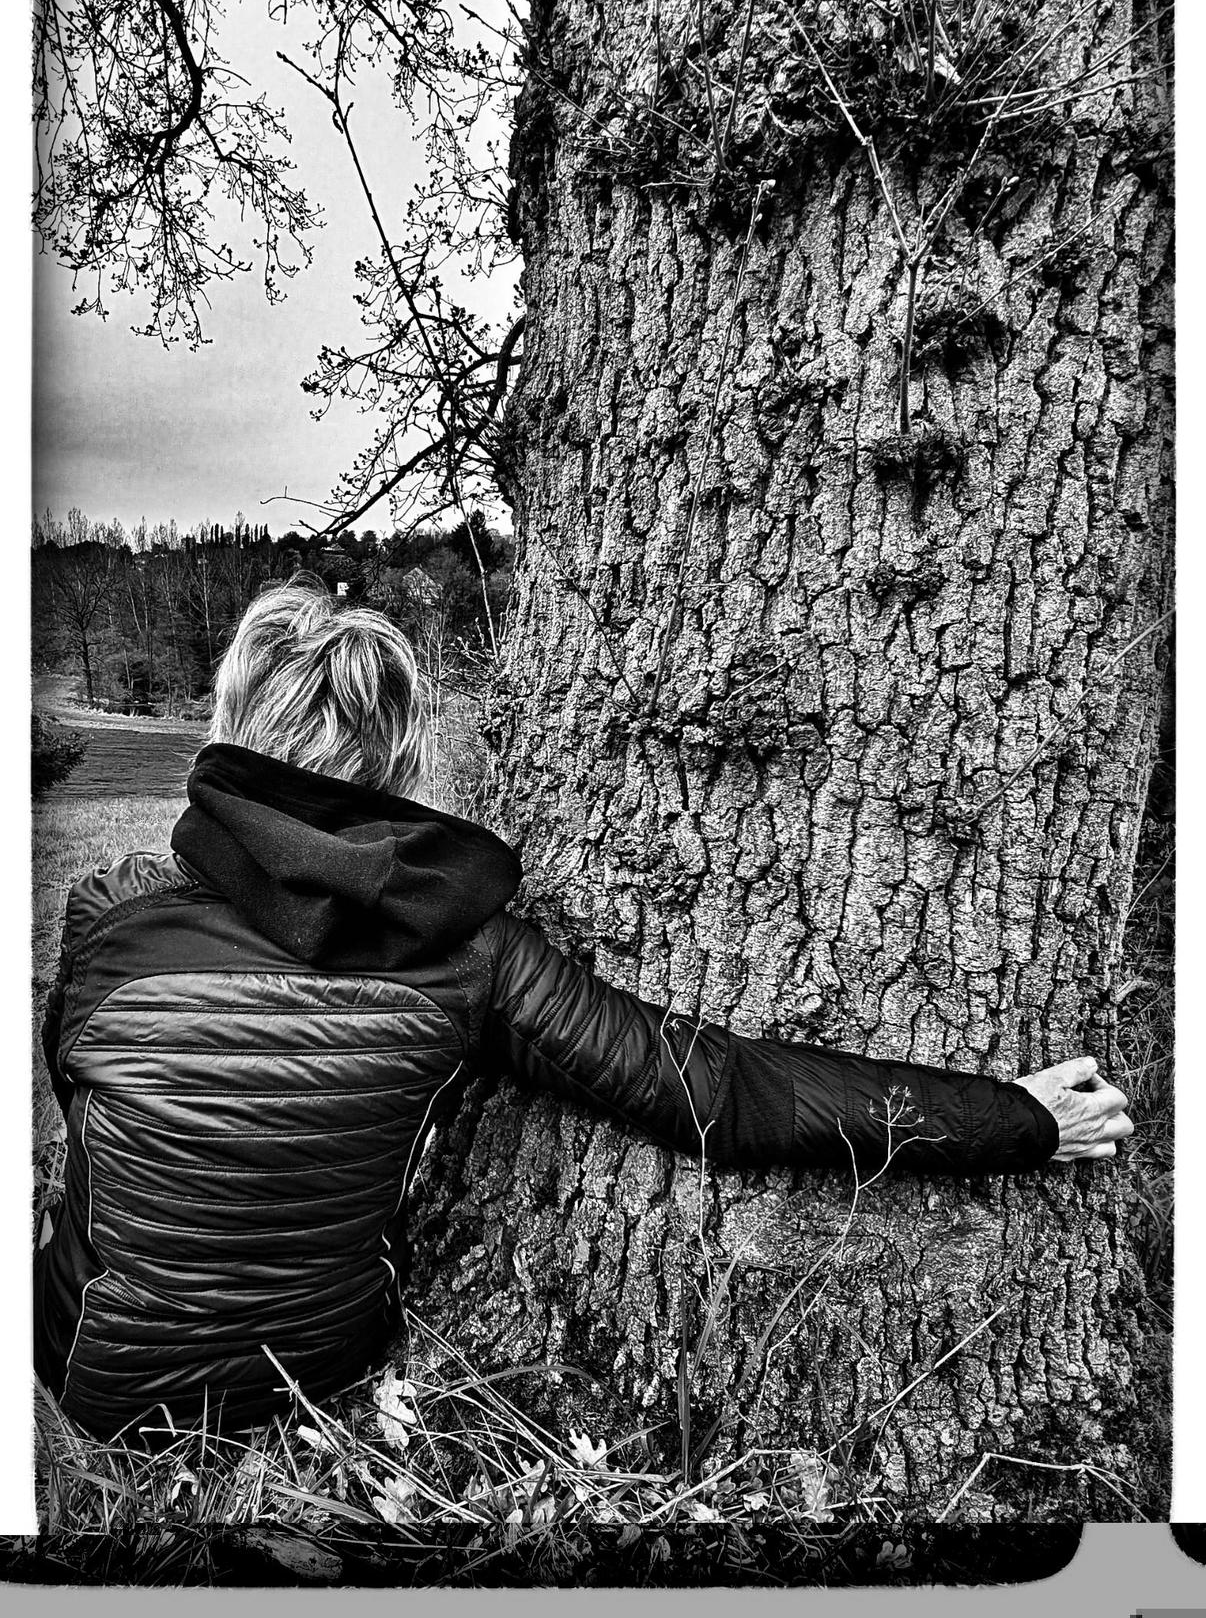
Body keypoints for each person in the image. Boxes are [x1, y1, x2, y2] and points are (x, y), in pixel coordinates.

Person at [34, 579, 1133, 1442]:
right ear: (400, 756)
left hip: (100, 1381)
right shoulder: (470, 947)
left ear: (229, 728)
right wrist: (1018, 1116)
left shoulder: (112, 914)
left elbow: (79, 1104)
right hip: (314, 1372)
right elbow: (718, 1091)